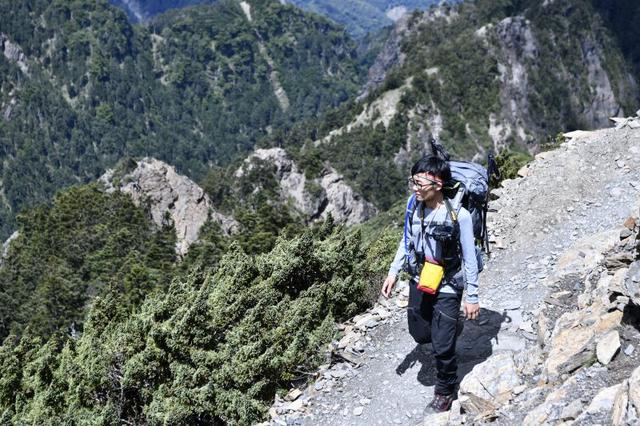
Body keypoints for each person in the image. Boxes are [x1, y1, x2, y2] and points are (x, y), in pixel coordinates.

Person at [381, 155, 480, 414]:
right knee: (421, 334)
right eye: (413, 181)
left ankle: (445, 391)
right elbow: (405, 240)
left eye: (419, 182)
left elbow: (470, 257)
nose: (414, 188)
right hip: (420, 277)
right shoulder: (413, 205)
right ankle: (449, 326)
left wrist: (472, 295)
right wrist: (393, 272)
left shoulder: (461, 216)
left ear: (437, 184)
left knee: (441, 345)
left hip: (448, 283)